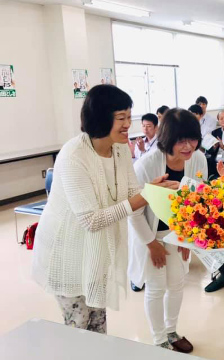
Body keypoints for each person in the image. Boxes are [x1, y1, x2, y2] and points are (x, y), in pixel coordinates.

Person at [32, 85, 178, 334]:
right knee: (78, 326)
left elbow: (133, 193)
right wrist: (144, 197)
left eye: (128, 117)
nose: (127, 125)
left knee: (98, 321)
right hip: (67, 251)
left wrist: (153, 191)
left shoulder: (120, 148)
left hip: (96, 251)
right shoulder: (73, 155)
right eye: (121, 118)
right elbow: (91, 220)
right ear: (100, 118)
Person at [128, 109, 207, 352]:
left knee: (177, 283)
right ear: (167, 139)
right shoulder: (146, 165)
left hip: (178, 233)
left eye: (192, 139)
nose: (187, 146)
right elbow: (135, 211)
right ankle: (158, 339)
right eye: (180, 140)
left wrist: (187, 239)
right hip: (150, 233)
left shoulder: (198, 159)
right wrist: (152, 244)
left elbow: (199, 201)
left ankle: (172, 332)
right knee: (155, 287)